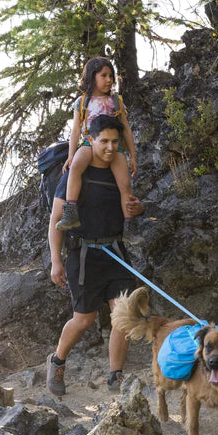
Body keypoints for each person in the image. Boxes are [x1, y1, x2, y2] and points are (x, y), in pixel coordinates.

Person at [47, 114, 145, 394]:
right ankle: (57, 361)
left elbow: (131, 206)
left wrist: (139, 208)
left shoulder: (118, 171)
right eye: (104, 141)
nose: (111, 147)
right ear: (91, 140)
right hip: (84, 255)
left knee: (123, 316)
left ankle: (116, 376)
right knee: (84, 320)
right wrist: (56, 260)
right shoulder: (73, 175)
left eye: (115, 142)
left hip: (115, 251)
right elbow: (56, 221)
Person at [55, 56, 137, 231]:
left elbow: (126, 129)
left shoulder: (116, 101)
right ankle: (71, 212)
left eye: (111, 76)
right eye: (104, 75)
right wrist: (70, 155)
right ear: (92, 76)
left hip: (114, 146)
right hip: (89, 143)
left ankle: (130, 226)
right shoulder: (82, 102)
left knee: (125, 184)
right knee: (76, 166)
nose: (109, 80)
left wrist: (133, 156)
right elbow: (76, 130)